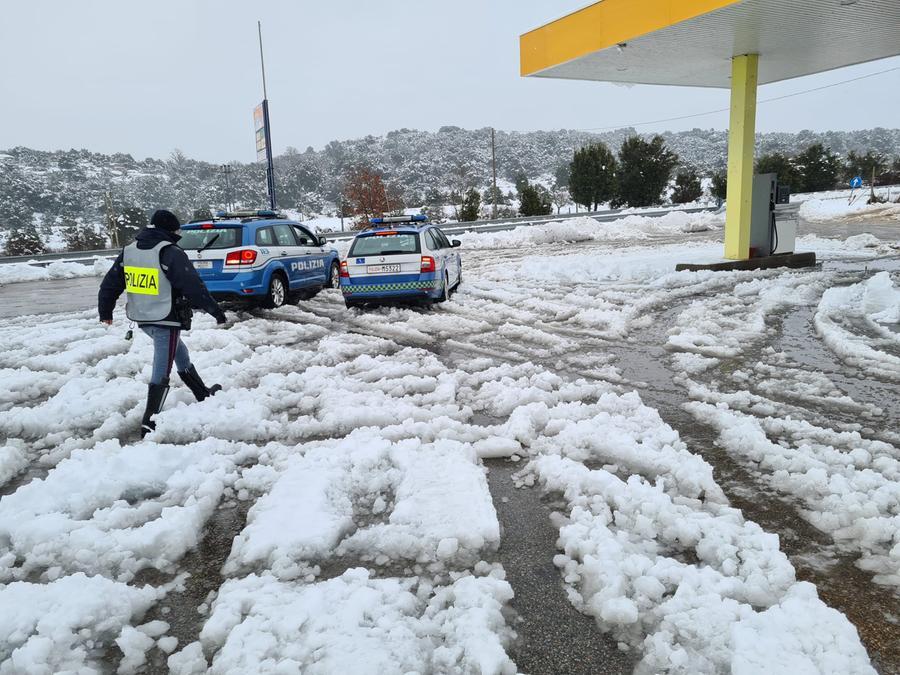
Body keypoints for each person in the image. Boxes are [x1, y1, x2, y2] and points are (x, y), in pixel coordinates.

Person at [98, 209, 228, 437]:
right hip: (165, 317)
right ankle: (150, 419)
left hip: (142, 316)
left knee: (179, 352)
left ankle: (202, 393)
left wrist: (105, 309)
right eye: (176, 231)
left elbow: (111, 283)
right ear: (169, 231)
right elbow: (193, 285)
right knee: (162, 367)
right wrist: (215, 311)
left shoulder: (130, 251)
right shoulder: (169, 252)